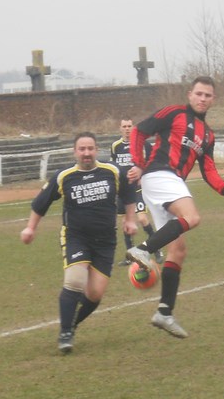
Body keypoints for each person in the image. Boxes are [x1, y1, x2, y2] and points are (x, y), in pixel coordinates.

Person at [125, 75, 224, 339]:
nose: (202, 99)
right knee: (192, 216)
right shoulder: (174, 113)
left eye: (207, 95)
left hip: (169, 182)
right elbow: (139, 131)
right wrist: (138, 163)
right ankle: (142, 250)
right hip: (160, 174)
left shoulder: (208, 135)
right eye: (199, 93)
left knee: (178, 250)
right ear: (190, 94)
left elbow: (209, 169)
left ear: (213, 99)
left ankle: (164, 313)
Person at [21, 133, 138, 354]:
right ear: (75, 152)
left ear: (97, 150)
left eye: (90, 148)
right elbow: (40, 203)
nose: (86, 153)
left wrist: (130, 220)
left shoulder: (112, 171)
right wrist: (30, 228)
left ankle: (71, 324)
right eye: (82, 149)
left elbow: (129, 192)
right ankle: (65, 333)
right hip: (76, 238)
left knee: (95, 294)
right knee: (75, 280)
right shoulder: (64, 176)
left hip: (105, 242)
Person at [110, 117, 162, 264]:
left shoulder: (143, 144)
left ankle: (157, 250)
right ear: (120, 128)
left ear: (133, 127)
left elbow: (153, 162)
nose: (127, 129)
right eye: (124, 126)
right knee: (125, 222)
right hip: (123, 190)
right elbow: (113, 166)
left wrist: (144, 175)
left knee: (142, 218)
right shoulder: (115, 146)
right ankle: (130, 257)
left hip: (138, 188)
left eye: (129, 126)